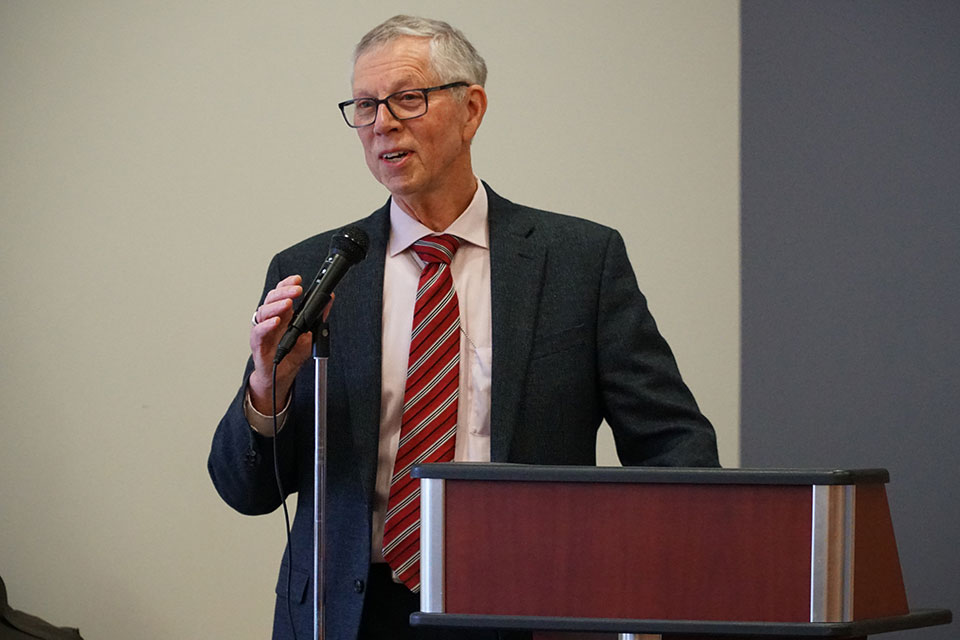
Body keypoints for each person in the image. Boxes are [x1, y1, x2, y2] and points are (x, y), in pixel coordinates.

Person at [208, 14, 719, 640]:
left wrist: (651, 581)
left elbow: (672, 443)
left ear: (471, 110)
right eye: (365, 106)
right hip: (349, 615)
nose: (382, 123)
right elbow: (246, 490)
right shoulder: (316, 269)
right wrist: (269, 387)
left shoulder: (579, 262)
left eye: (407, 98)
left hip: (528, 607)